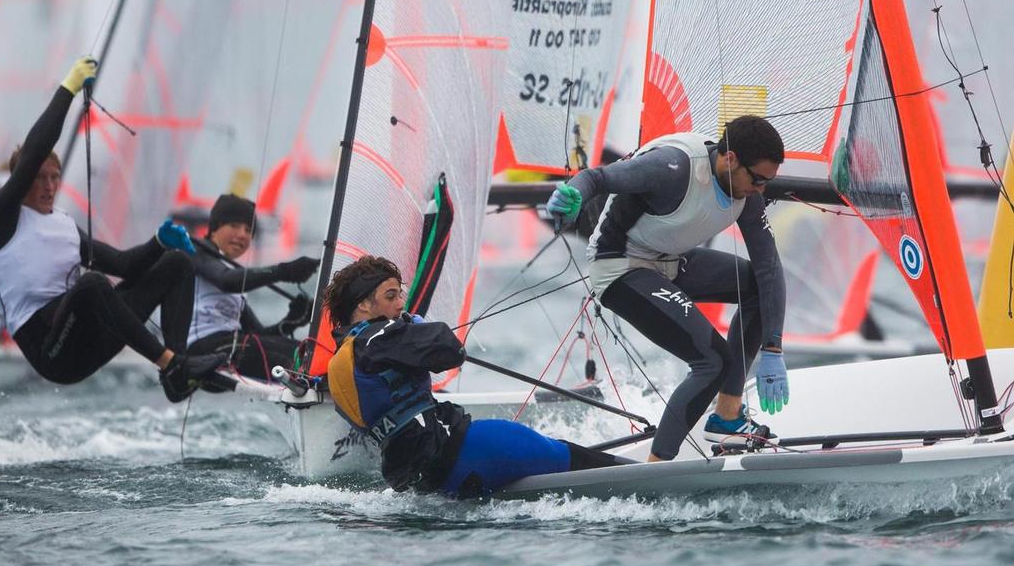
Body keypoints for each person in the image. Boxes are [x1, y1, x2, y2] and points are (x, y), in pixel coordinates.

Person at [546, 115, 789, 462]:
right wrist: (572, 195)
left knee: (756, 288)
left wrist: (773, 349)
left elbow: (769, 268)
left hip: (670, 261)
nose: (762, 191)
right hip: (621, 266)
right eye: (759, 179)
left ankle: (728, 419)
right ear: (731, 159)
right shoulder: (672, 169)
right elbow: (598, 177)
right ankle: (656, 466)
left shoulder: (745, 192)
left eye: (768, 182)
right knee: (712, 360)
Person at [0, 58, 225, 402]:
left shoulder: (64, 226)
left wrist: (159, 242)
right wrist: (68, 88)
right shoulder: (0, 220)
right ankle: (172, 364)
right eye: (40, 177)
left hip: (93, 337)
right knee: (92, 284)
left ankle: (178, 374)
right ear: (21, 182)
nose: (49, 185)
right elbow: (36, 149)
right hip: (55, 357)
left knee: (177, 264)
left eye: (55, 177)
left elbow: (126, 266)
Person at [324, 256, 623, 498]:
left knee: (549, 461)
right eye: (391, 295)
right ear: (363, 304)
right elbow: (450, 350)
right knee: (566, 456)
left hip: (420, 481)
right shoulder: (381, 337)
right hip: (462, 450)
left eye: (400, 293)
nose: (401, 303)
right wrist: (412, 326)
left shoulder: (340, 362)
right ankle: (651, 475)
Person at [186, 193, 319, 380]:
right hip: (201, 350)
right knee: (297, 359)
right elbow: (227, 281)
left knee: (307, 352)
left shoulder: (232, 272)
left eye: (249, 230)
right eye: (234, 225)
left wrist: (292, 321)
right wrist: (283, 271)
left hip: (228, 346)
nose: (242, 234)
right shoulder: (197, 252)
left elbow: (259, 336)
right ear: (214, 228)